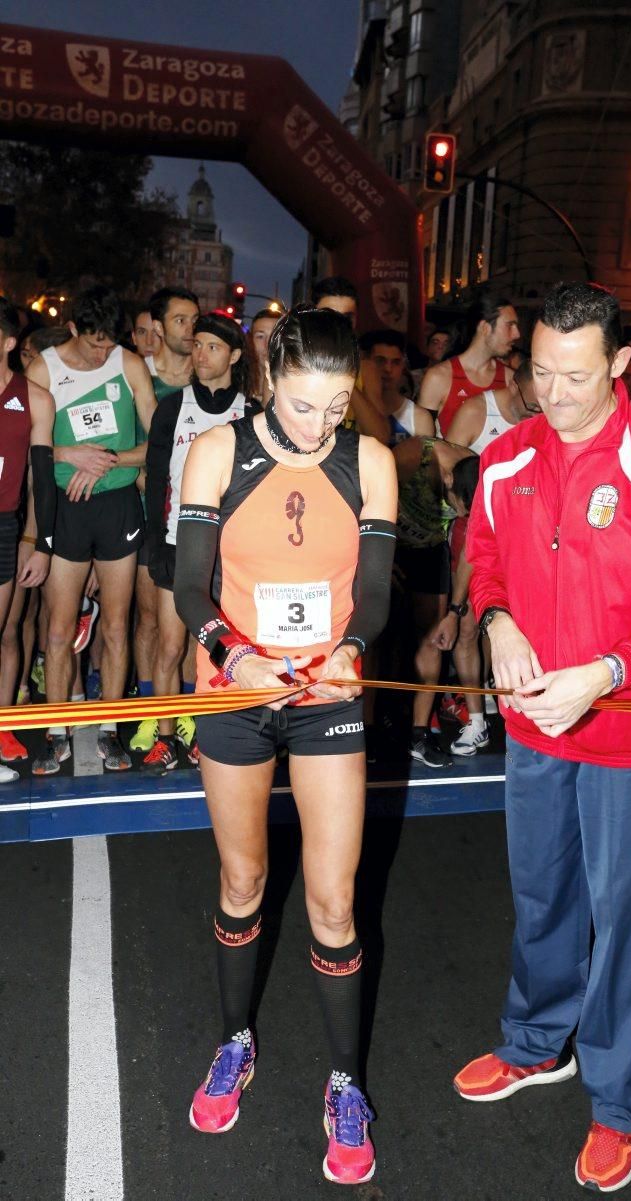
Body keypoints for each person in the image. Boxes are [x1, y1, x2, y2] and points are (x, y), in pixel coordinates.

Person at [454, 282, 631, 1193]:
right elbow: (482, 555)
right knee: (541, 894)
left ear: (618, 365)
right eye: (539, 373)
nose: (553, 393)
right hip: (532, 725)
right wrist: (495, 621)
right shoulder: (507, 456)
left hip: (625, 729)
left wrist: (607, 671)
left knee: (624, 924)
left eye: (574, 375)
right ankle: (535, 1043)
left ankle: (614, 1100)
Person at [173, 306, 396, 1184]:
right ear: (269, 379)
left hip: (326, 695)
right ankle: (235, 1041)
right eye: (305, 405)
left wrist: (350, 648)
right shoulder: (219, 452)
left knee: (334, 903)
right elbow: (191, 584)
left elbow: (373, 596)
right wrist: (237, 653)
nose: (320, 425)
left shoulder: (368, 460)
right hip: (235, 687)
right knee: (243, 880)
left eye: (337, 406)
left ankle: (346, 1082)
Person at [27, 285, 156, 775]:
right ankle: (56, 733)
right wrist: (69, 454)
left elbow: (157, 439)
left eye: (110, 343)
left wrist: (110, 460)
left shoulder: (128, 364)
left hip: (119, 504)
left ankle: (108, 731)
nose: (105, 353)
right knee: (60, 629)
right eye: (95, 343)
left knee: (117, 625)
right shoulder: (45, 368)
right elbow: (30, 446)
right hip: (66, 508)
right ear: (74, 329)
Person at [142, 313, 250, 772]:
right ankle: (166, 737)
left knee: (218, 647)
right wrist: (154, 542)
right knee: (170, 647)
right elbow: (154, 481)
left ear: (235, 356)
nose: (200, 355)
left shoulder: (252, 411)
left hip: (230, 553)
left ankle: (210, 734)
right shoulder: (172, 407)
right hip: (176, 542)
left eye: (212, 347)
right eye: (197, 345)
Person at [440, 359, 541, 755]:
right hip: (478, 537)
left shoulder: (553, 423)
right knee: (467, 627)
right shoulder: (479, 413)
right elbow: (449, 467)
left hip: (522, 549)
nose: (543, 407)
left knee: (507, 631)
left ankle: (503, 706)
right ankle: (478, 720)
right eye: (535, 399)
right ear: (518, 385)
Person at [130, 286, 200, 755]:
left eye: (195, 319)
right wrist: (149, 481)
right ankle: (151, 712)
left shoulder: (206, 376)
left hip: (191, 514)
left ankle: (189, 712)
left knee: (194, 620)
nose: (190, 328)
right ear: (157, 327)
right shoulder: (139, 375)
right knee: (151, 619)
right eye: (180, 319)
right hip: (141, 507)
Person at [392, 435, 479, 766]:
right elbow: (364, 489)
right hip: (386, 541)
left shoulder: (477, 473)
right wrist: (376, 557)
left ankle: (419, 734)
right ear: (447, 480)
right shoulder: (420, 455)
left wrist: (455, 611)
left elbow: (471, 548)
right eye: (458, 506)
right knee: (380, 643)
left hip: (429, 550)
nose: (461, 513)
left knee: (433, 640)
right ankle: (369, 728)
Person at [0, 297, 56, 780]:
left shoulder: (35, 398)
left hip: (6, 527)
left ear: (9, 343)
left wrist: (37, 539)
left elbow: (41, 480)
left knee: (5, 632)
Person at [418, 294, 518, 435]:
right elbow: (422, 443)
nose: (517, 334)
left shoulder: (511, 380)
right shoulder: (439, 377)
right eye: (510, 325)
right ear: (485, 327)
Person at [311, 276, 390, 443]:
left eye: (346, 318)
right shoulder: (291, 362)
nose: (338, 324)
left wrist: (343, 372)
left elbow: (381, 436)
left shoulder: (366, 368)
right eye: (329, 316)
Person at [358, 329, 434, 444]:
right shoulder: (350, 407)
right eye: (380, 360)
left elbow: (426, 461)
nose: (388, 369)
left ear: (403, 365)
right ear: (365, 362)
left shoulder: (419, 418)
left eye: (396, 362)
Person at [248, 306, 284, 404]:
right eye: (260, 337)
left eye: (275, 336)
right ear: (250, 341)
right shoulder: (238, 383)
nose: (267, 344)